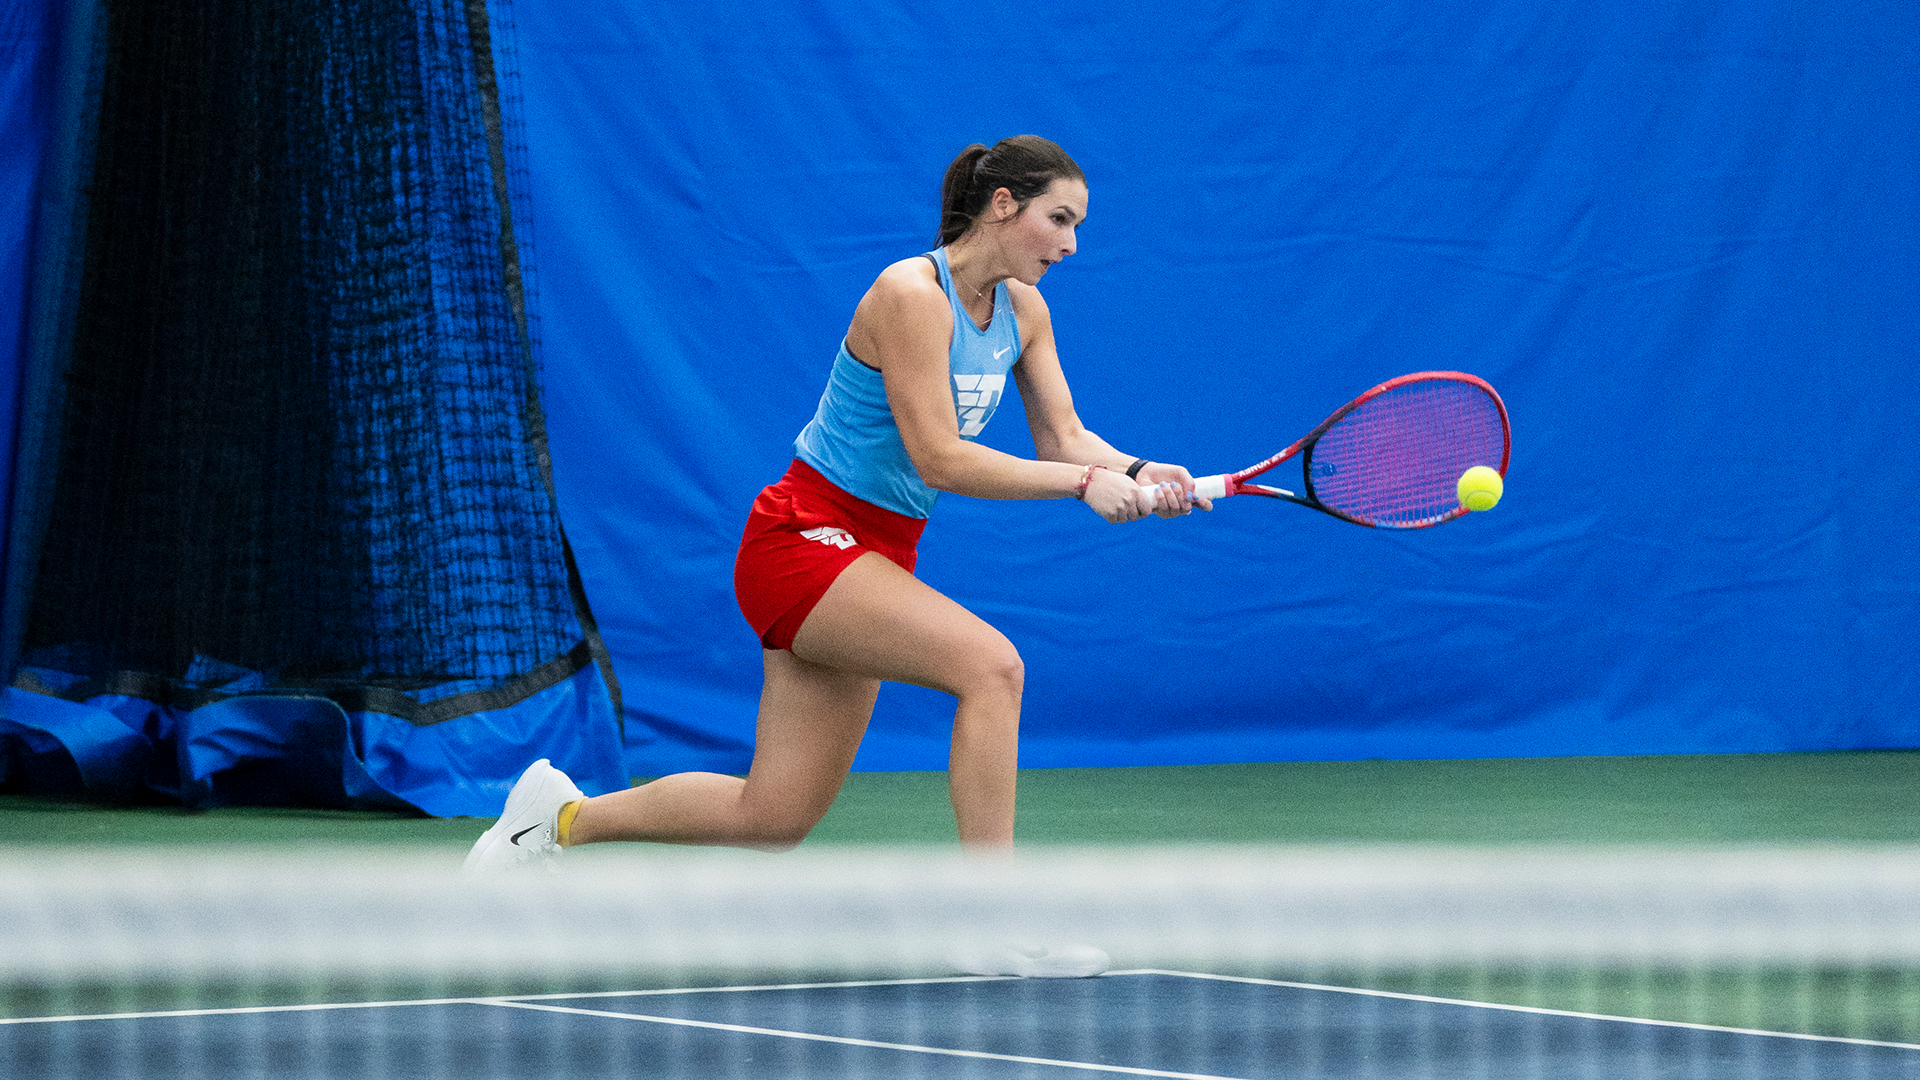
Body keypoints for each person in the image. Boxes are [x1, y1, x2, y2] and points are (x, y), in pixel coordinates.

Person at [466, 135, 1211, 874]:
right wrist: (1085, 485)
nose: (1072, 244)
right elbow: (940, 458)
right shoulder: (911, 294)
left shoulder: (1025, 312)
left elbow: (1065, 435)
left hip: (878, 553)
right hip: (801, 538)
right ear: (1003, 205)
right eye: (1060, 219)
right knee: (993, 668)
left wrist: (1141, 471)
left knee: (772, 817)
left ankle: (556, 819)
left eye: (1078, 226)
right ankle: (996, 910)